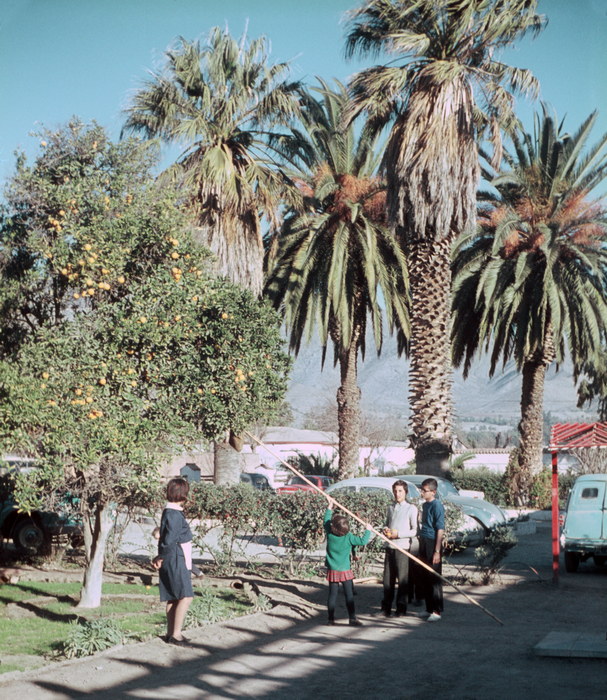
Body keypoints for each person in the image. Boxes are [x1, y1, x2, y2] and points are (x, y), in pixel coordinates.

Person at [152, 477, 194, 646]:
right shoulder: (174, 514)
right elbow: (169, 540)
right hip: (176, 556)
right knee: (185, 596)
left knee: (173, 597)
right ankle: (176, 634)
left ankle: (170, 634)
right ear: (183, 494)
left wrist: (160, 556)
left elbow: (164, 536)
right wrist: (161, 557)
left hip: (171, 556)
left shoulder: (169, 511)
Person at [323, 496, 372, 626]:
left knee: (332, 595)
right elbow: (363, 541)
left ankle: (330, 619)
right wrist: (368, 530)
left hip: (333, 570)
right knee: (349, 595)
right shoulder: (349, 537)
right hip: (345, 570)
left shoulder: (329, 533)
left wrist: (329, 507)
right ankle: (352, 618)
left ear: (333, 527)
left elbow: (326, 521)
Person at [381, 480, 419, 617]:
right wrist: (386, 529)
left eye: (400, 491)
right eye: (395, 491)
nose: (397, 494)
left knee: (402, 580)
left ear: (406, 492)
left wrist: (398, 534)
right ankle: (385, 609)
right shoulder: (390, 507)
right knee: (387, 580)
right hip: (389, 547)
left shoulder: (411, 508)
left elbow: (415, 531)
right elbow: (387, 524)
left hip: (402, 548)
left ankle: (401, 609)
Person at [418, 478, 445, 622]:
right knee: (425, 576)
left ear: (433, 492)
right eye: (421, 490)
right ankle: (429, 608)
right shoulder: (425, 505)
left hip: (433, 543)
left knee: (434, 577)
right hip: (423, 541)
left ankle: (437, 610)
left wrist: (437, 551)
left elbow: (440, 529)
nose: (422, 493)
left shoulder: (437, 505)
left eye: (425, 490)